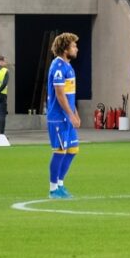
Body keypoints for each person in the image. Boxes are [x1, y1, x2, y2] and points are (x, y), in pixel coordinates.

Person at [46, 32, 82, 198]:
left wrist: (75, 113)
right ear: (65, 48)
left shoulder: (68, 67)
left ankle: (60, 184)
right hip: (58, 117)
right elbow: (60, 95)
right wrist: (70, 114)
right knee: (60, 150)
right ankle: (53, 189)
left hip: (67, 115)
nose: (76, 48)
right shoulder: (58, 67)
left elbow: (68, 94)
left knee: (72, 150)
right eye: (73, 46)